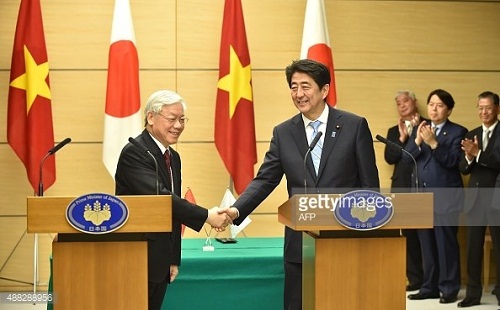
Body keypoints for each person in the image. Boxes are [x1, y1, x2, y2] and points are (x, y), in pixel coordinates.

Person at [224, 59, 380, 309]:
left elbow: (369, 185)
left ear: (325, 90)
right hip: (300, 240)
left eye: (306, 87)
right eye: (294, 87)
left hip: (345, 237)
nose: (299, 94)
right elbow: (266, 179)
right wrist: (236, 209)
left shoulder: (353, 126)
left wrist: (369, 232)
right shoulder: (284, 132)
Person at [115, 90, 232, 310]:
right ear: (151, 118)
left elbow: (173, 210)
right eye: (172, 119)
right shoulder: (135, 153)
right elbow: (162, 199)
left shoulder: (172, 157)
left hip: (161, 259)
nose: (178, 126)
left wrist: (173, 258)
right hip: (137, 257)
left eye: (182, 120)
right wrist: (207, 216)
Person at [404, 89, 467, 304]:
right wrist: (419, 140)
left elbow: (453, 162)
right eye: (431, 104)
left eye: (439, 105)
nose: (434, 108)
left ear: (448, 110)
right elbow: (407, 159)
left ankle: (449, 288)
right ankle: (429, 286)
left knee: (445, 243)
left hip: (445, 198)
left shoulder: (458, 131)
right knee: (426, 245)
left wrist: (433, 144)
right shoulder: (420, 128)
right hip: (421, 198)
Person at [458, 91, 500, 307]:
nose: (484, 112)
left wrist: (479, 153)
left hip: (496, 200)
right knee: (473, 249)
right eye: (480, 108)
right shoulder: (471, 133)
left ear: (497, 109)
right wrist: (468, 156)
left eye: (488, 108)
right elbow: (464, 169)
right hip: (475, 200)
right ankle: (472, 294)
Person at [383, 89, 423, 292]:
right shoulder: (393, 131)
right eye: (398, 103)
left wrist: (416, 133)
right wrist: (402, 138)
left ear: (415, 102)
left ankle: (431, 278)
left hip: (423, 186)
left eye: (405, 101)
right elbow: (390, 157)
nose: (402, 105)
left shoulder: (428, 125)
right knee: (406, 233)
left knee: (426, 233)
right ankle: (414, 278)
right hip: (401, 187)